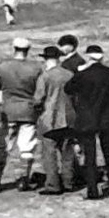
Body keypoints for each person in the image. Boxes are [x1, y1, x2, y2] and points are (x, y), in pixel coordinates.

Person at [64, 42, 109, 199]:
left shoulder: (83, 74)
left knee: (90, 157)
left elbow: (68, 88)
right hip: (107, 119)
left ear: (88, 57)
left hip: (87, 119)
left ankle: (92, 189)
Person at [0, 35, 44, 190]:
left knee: (3, 146)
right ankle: (23, 179)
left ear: (14, 49)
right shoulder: (36, 68)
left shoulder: (2, 67)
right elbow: (40, 91)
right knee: (26, 148)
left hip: (8, 112)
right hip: (28, 111)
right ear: (28, 50)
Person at [31, 44, 77, 195]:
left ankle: (53, 184)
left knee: (49, 153)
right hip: (69, 117)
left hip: (50, 119)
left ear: (46, 60)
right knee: (67, 152)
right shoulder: (69, 75)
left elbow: (38, 99)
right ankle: (68, 182)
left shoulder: (45, 76)